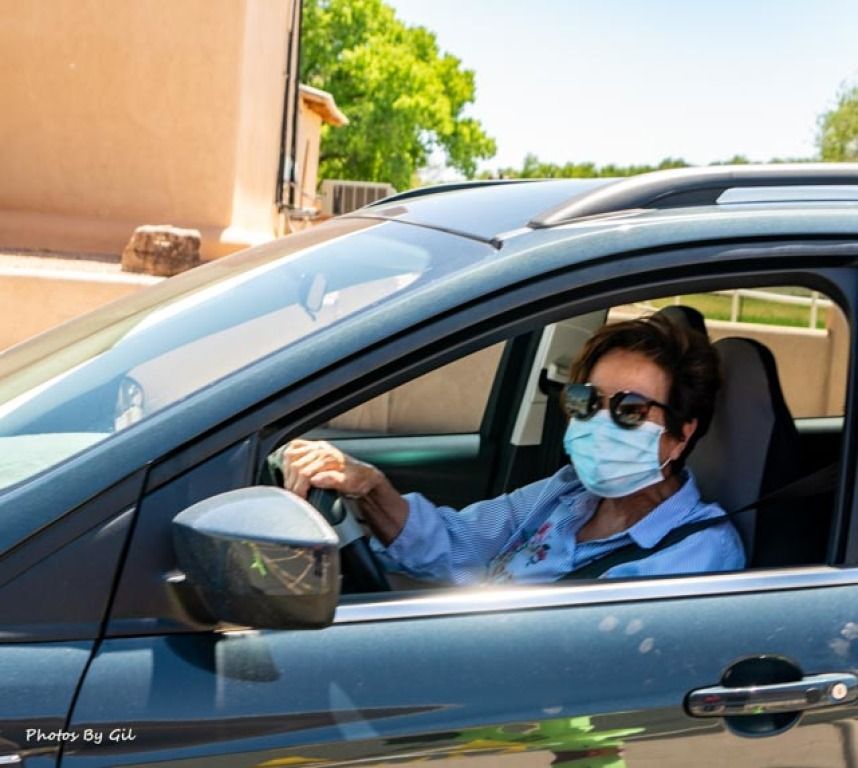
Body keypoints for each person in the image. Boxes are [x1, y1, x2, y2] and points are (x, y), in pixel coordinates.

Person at [281, 313, 746, 583]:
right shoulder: (568, 495)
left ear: (682, 433)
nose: (600, 421)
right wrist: (369, 486)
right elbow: (455, 542)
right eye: (586, 401)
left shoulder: (699, 552)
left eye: (630, 410)